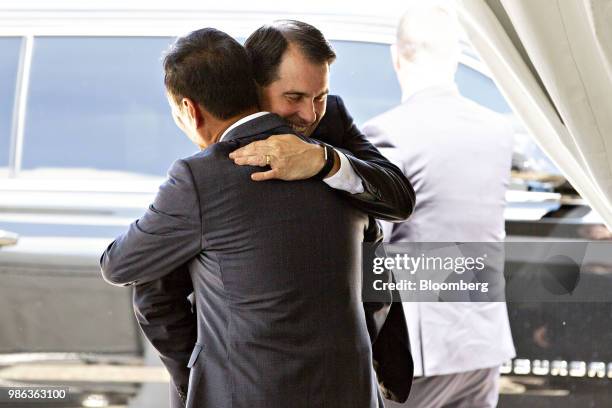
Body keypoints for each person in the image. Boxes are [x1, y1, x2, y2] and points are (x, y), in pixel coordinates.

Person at [101, 27, 392, 408]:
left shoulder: (199, 178)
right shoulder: (335, 159)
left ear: (189, 109)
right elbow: (377, 281)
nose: (309, 111)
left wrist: (199, 379)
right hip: (352, 392)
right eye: (295, 96)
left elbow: (122, 269)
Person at [363, 2, 516, 407]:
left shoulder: (387, 133)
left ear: (398, 56)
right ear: (454, 57)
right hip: (482, 339)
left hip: (423, 347)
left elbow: (371, 248)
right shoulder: (498, 131)